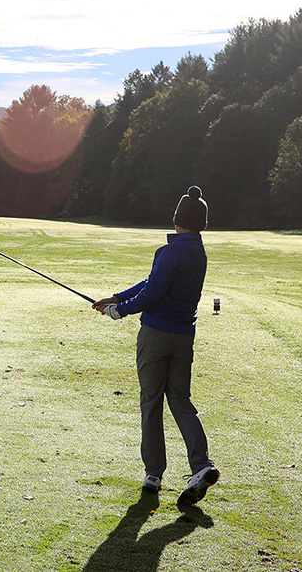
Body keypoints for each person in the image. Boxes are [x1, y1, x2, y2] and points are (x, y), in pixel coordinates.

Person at [92, 185, 217, 509]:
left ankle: (153, 474)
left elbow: (152, 294)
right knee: (180, 399)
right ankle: (201, 465)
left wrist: (120, 310)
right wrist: (117, 297)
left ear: (176, 217)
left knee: (151, 401)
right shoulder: (197, 252)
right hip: (183, 336)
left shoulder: (170, 251)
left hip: (156, 335)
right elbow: (151, 282)